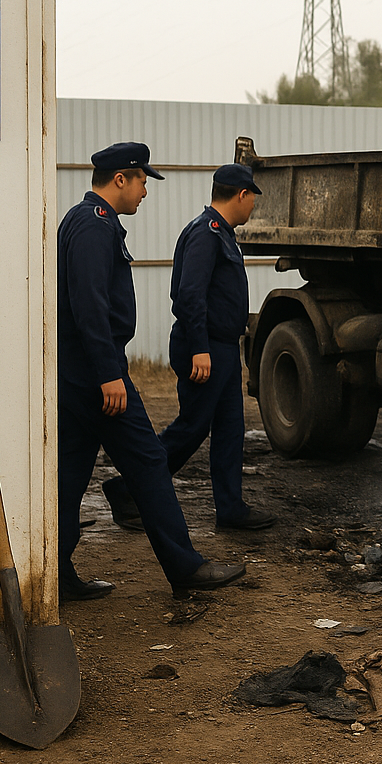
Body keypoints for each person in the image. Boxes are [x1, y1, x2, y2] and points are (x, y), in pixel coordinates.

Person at [57, 142, 247, 601]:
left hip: (81, 373)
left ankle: (55, 572)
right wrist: (109, 373)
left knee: (69, 475)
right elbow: (89, 307)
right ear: (120, 179)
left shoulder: (90, 221)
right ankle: (185, 567)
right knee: (148, 462)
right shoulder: (93, 225)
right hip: (95, 375)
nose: (145, 191)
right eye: (142, 180)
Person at [103, 164, 277, 532]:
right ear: (242, 194)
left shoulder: (221, 233)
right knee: (192, 428)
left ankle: (230, 508)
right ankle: (127, 488)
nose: (253, 207)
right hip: (205, 347)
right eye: (252, 199)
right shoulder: (206, 233)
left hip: (222, 348)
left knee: (231, 429)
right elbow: (190, 294)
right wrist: (200, 348)